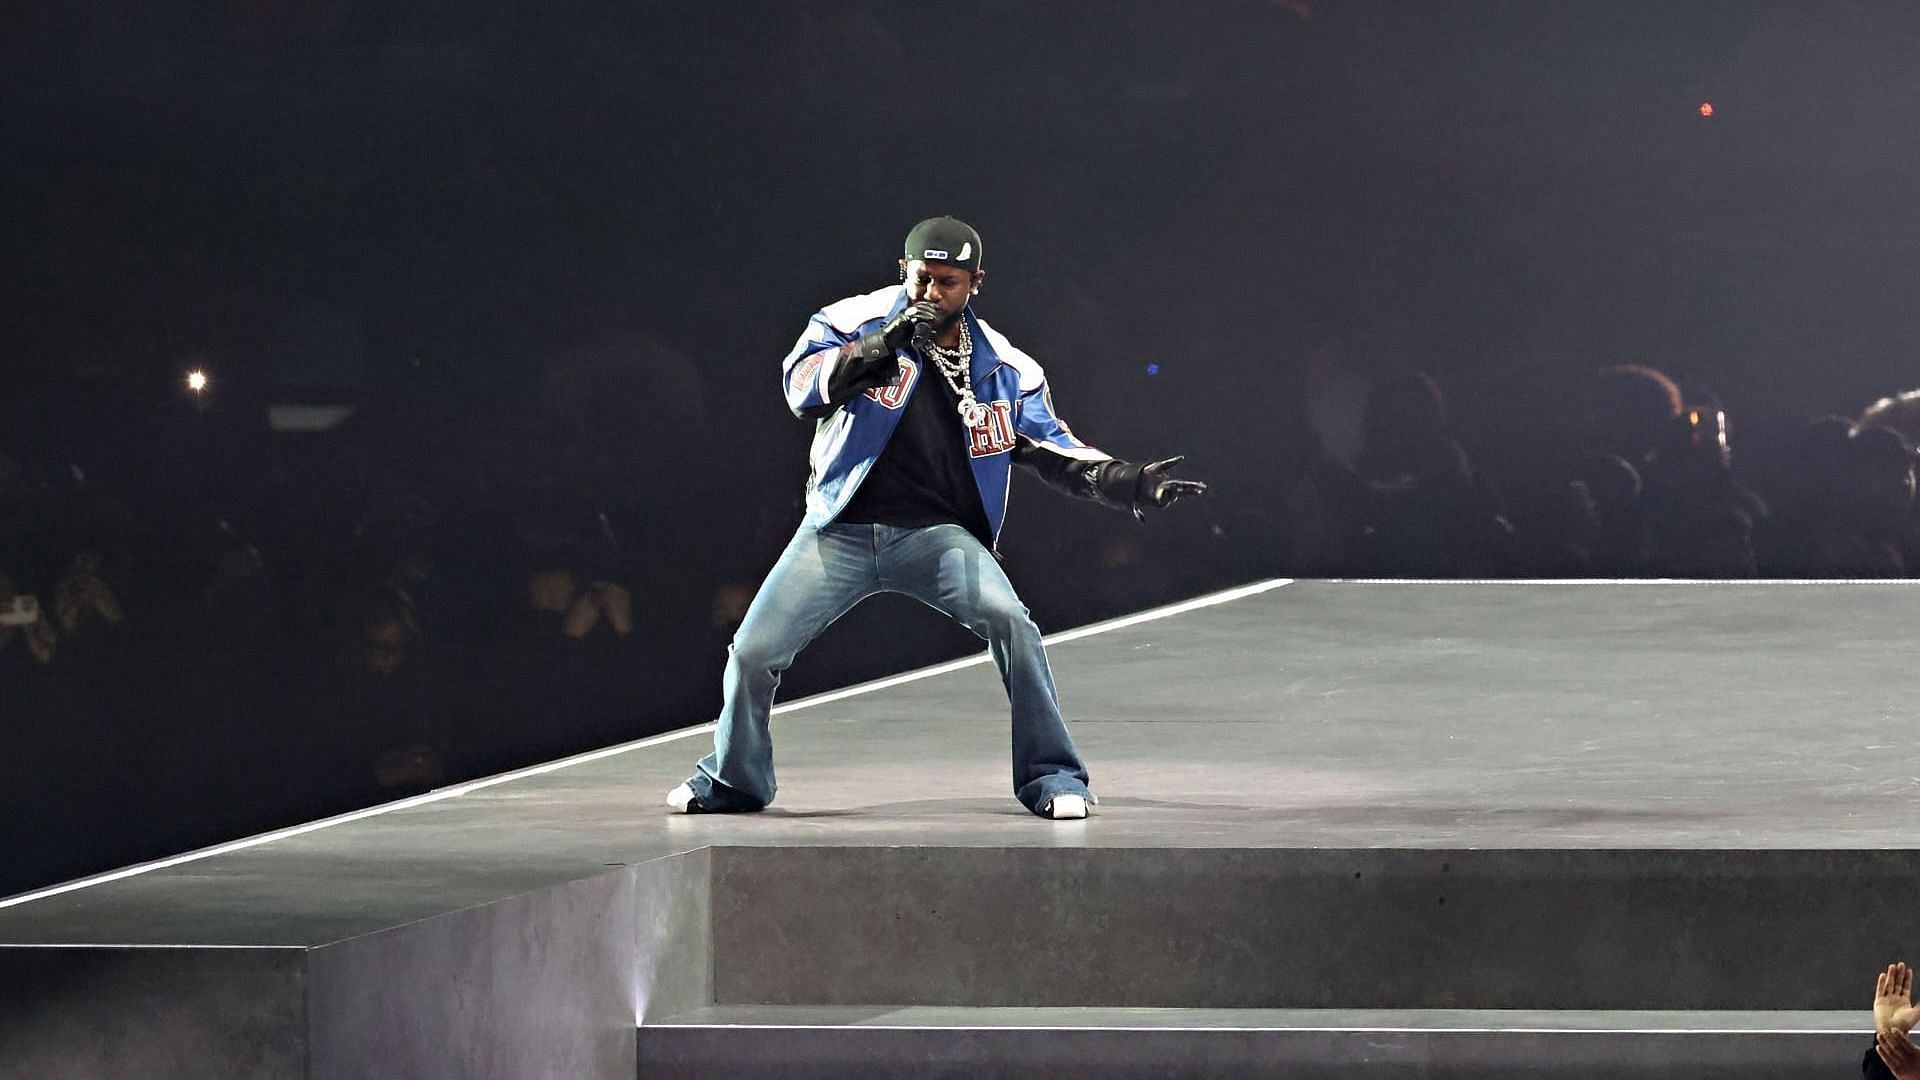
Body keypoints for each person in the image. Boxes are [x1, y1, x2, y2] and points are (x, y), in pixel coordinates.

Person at [667, 216, 1206, 820]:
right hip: (839, 530)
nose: (931, 294)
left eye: (947, 282)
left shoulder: (1003, 367)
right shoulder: (851, 321)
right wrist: (883, 344)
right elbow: (802, 388)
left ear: (975, 283)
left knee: (1013, 624)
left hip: (936, 538)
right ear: (904, 269)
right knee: (752, 652)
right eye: (922, 278)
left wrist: (1127, 480)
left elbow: (1052, 450)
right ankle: (735, 780)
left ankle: (1054, 777)